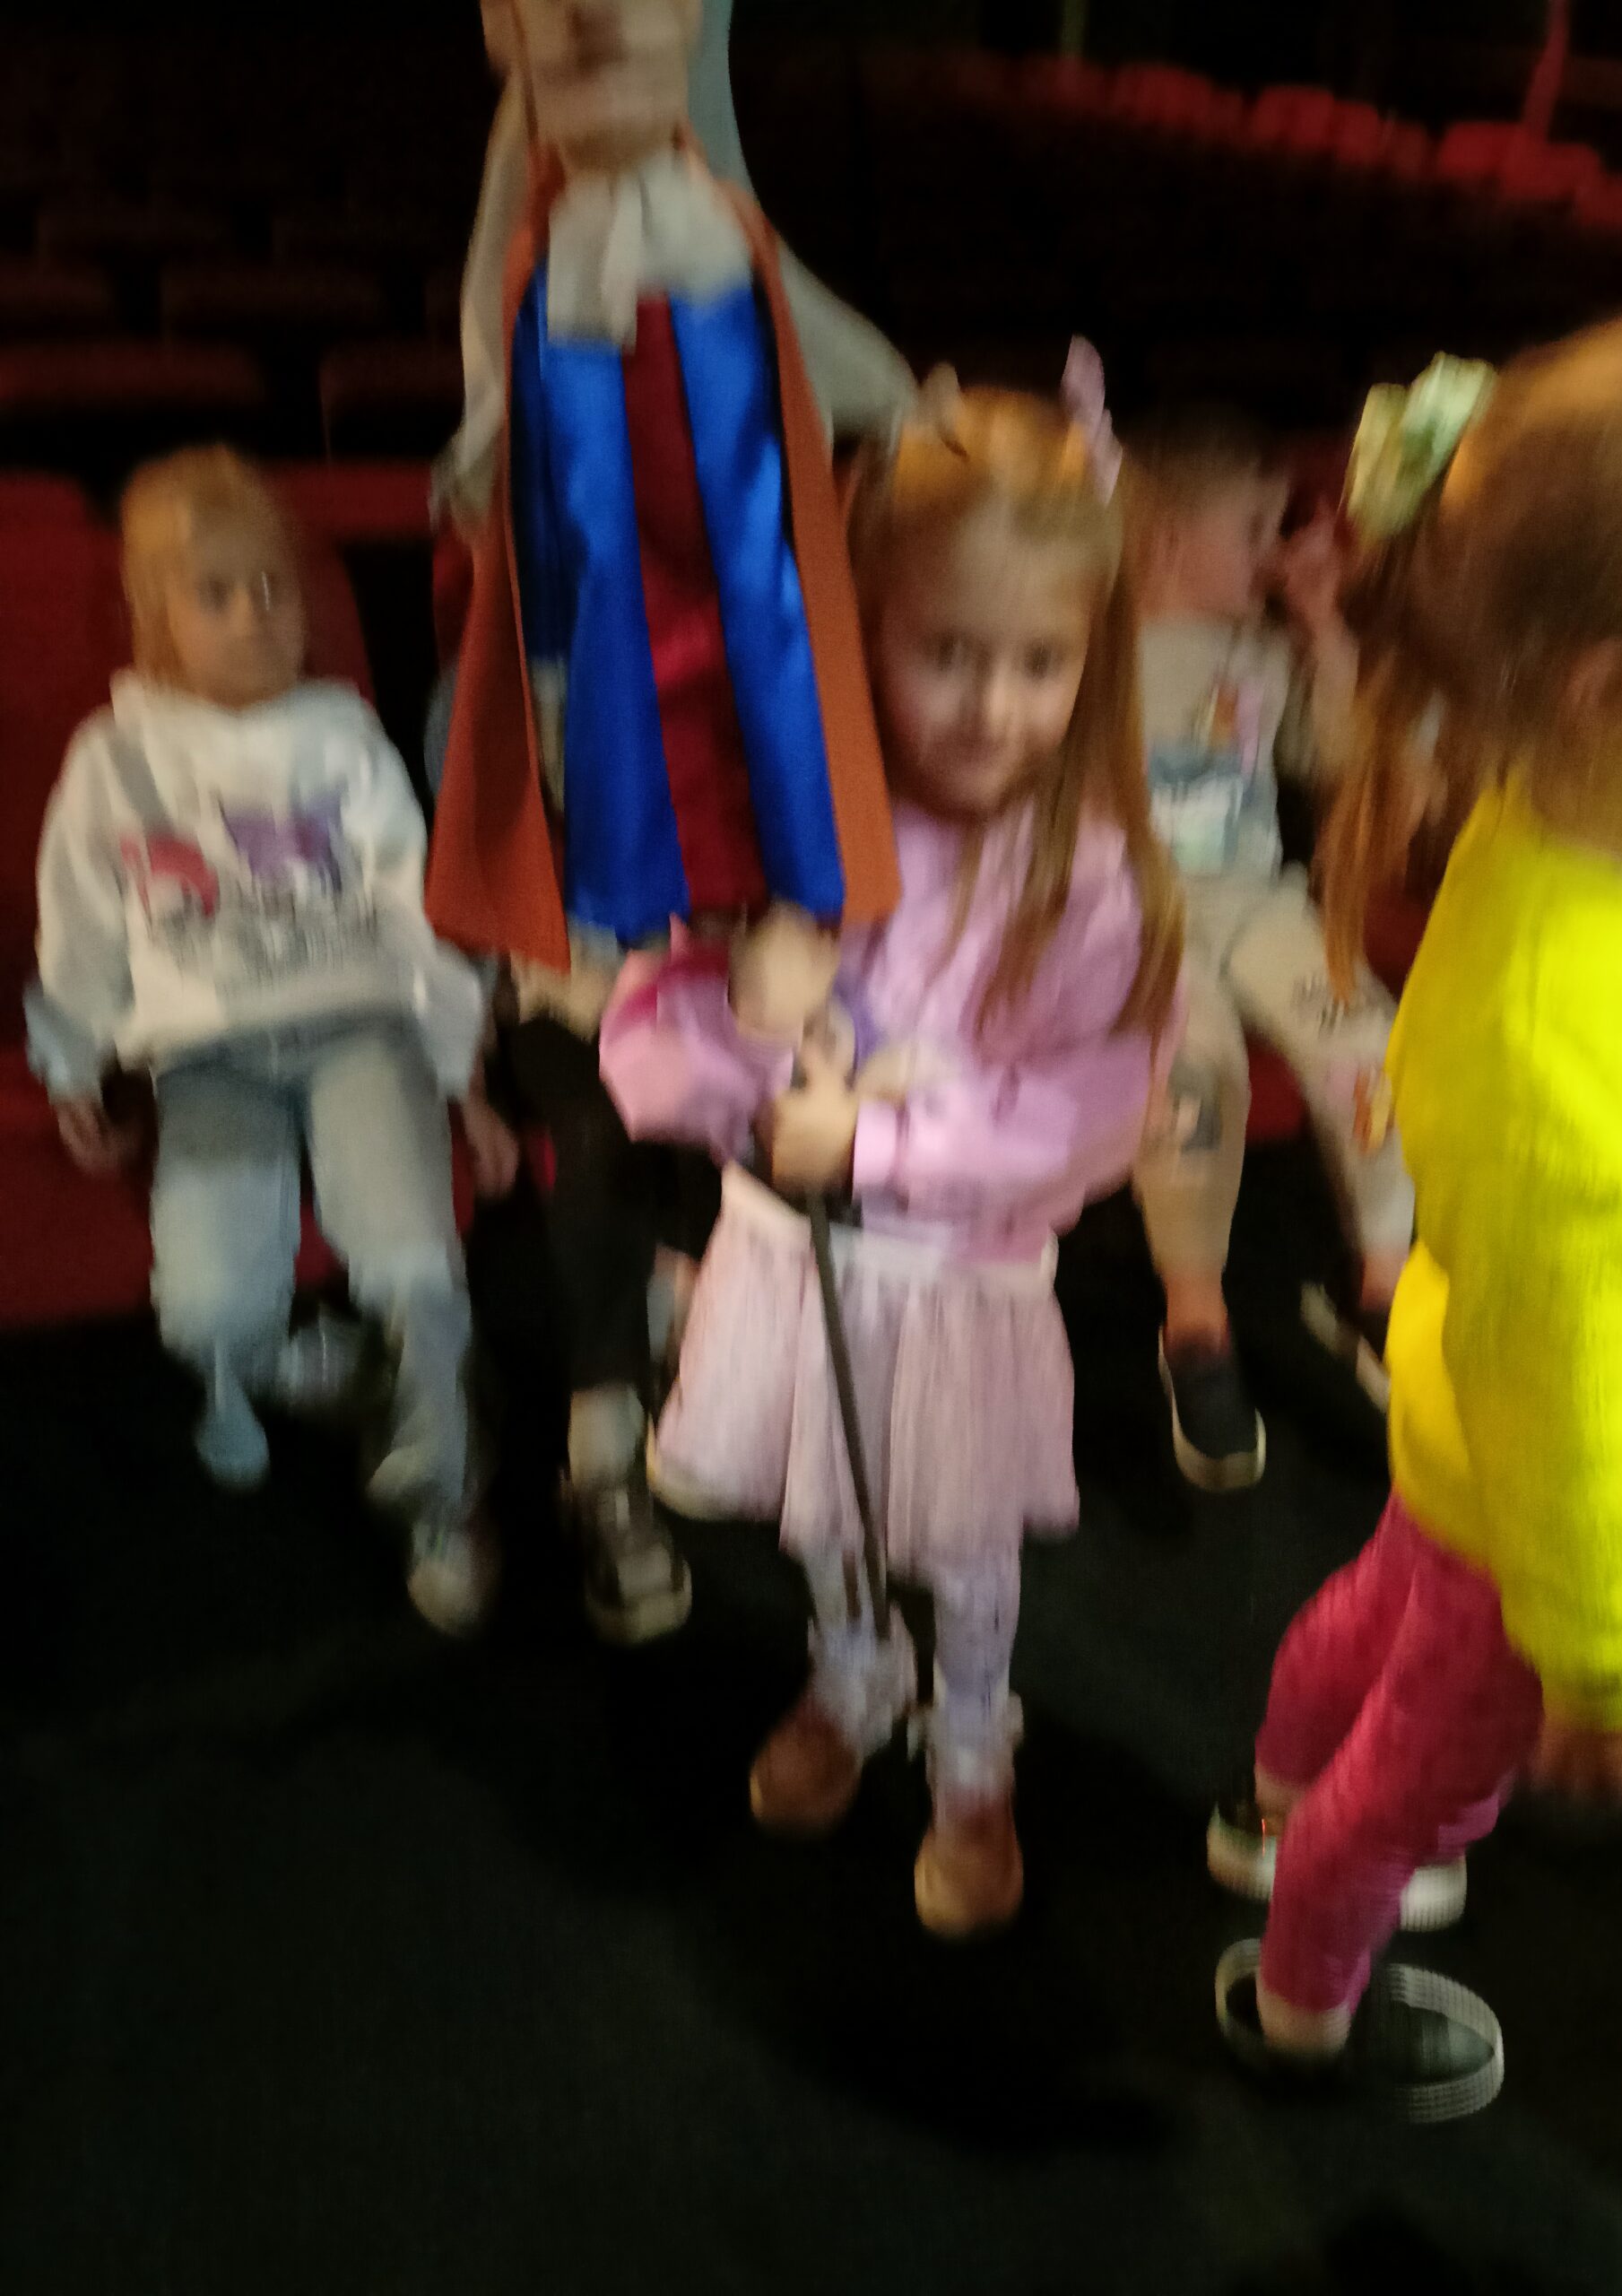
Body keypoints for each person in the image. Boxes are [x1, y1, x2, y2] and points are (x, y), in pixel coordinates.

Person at [1210, 308, 1622, 2120]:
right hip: (1541, 1516)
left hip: (1459, 1429)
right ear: (1615, 685)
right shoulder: (1566, 1059)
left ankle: (1268, 1802)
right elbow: (1575, 1396)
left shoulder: (1597, 796)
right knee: (1423, 1776)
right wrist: (1605, 1662)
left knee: (1376, 1613)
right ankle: (1306, 1996)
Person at [601, 378, 1184, 1937]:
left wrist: (876, 1135)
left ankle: (973, 1741)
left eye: (1040, 663)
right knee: (830, 1507)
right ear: (862, 634)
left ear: (1094, 658)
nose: (993, 708)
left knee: (967, 1541)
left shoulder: (1089, 876)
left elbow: (1089, 1113)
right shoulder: (786, 839)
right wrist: (750, 1012)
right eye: (948, 654)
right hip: (793, 1267)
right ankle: (853, 1671)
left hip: (957, 1289)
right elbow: (644, 1053)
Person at [425, 0, 912, 1647]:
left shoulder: (725, 240)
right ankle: (601, 1433)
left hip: (740, 800)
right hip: (592, 810)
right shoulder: (532, 272)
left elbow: (819, 366)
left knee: (761, 1095)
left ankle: (749, 1394)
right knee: (601, 1121)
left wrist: (913, 412)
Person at [27, 448, 495, 1636]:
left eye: (274, 588)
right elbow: (77, 920)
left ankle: (439, 1488)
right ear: (156, 618)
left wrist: (462, 1069)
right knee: (205, 1304)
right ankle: (306, 1364)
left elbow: (410, 904)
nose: (254, 615)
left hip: (358, 1028)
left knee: (414, 1261)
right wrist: (73, 1058)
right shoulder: (114, 757)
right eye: (217, 593)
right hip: (210, 1058)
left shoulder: (340, 734)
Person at [1125, 413, 1414, 1491]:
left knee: (1370, 1039)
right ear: (1164, 541)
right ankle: (1194, 1318)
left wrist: (1323, 627)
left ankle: (1381, 1277)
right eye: (1252, 530)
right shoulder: (1101, 648)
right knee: (1193, 1076)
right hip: (1140, 922)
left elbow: (1338, 755)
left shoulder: (1265, 652)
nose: (1274, 549)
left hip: (1254, 903)